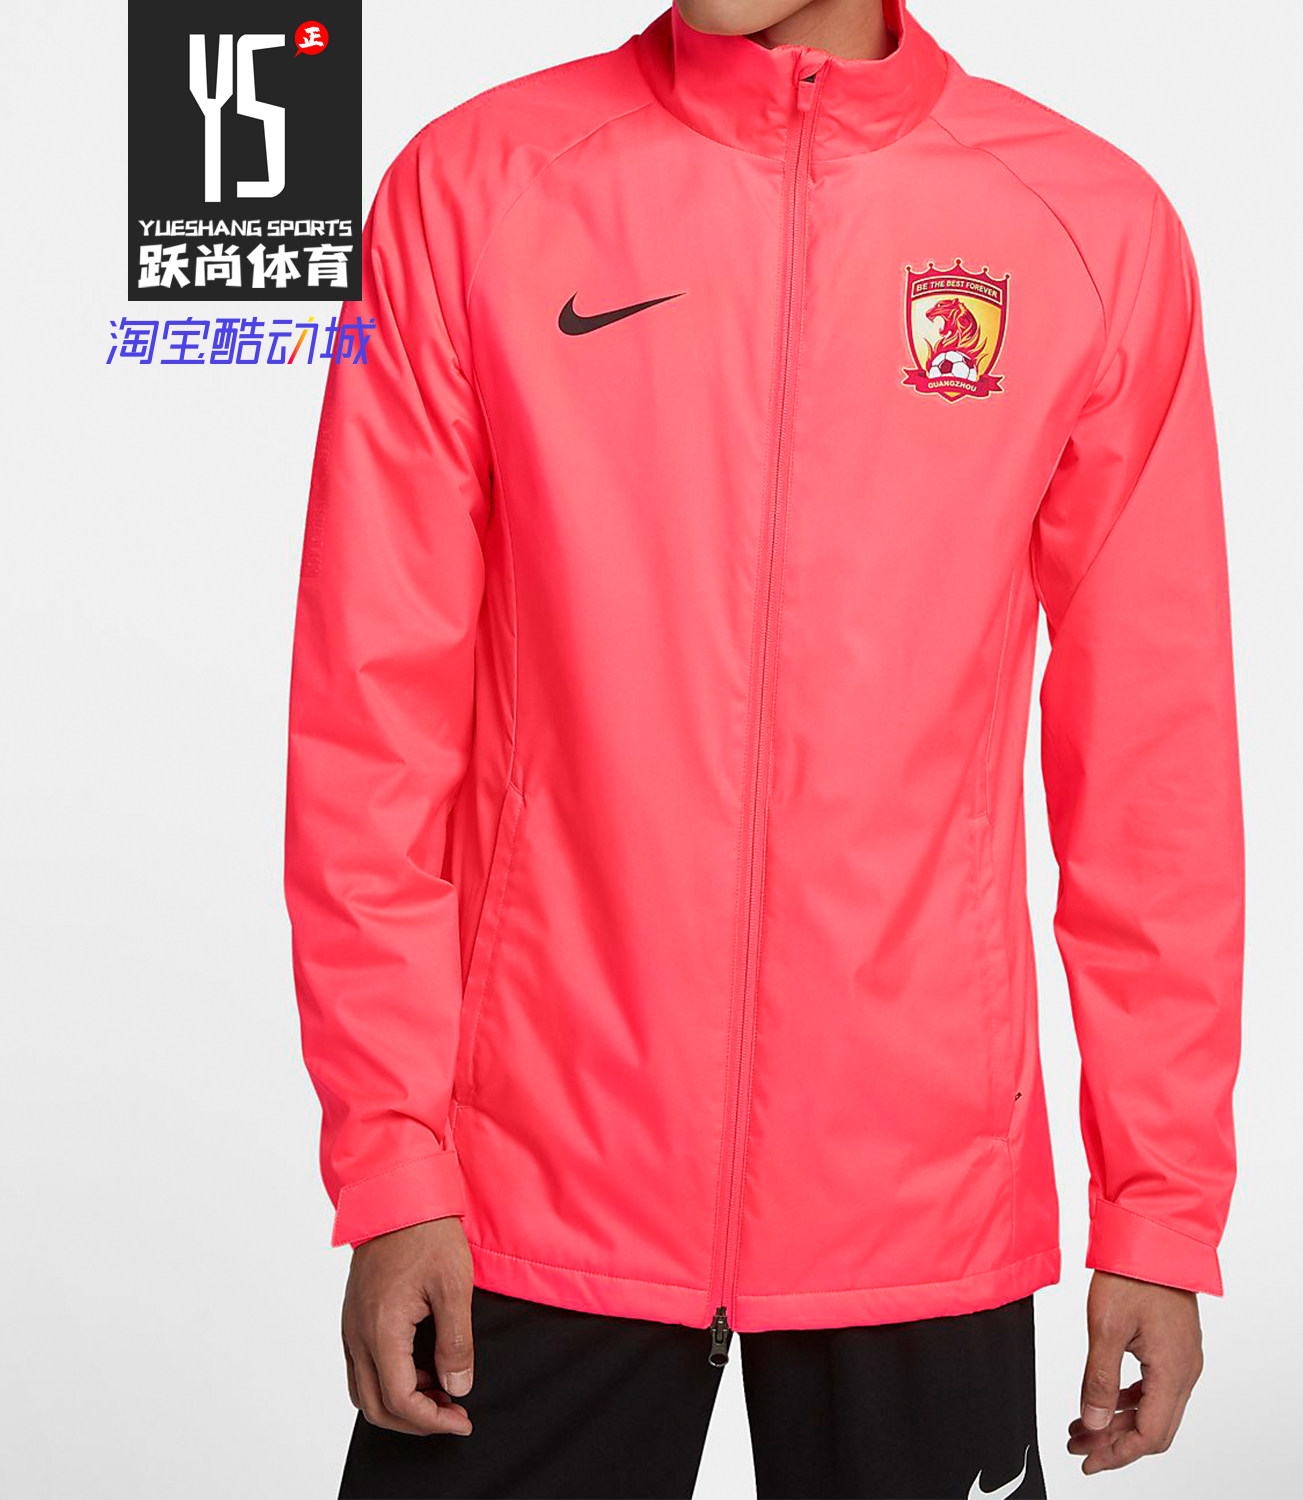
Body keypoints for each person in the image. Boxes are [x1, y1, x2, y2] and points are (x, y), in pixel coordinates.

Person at [284, 0, 1244, 1494]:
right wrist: (394, 1160)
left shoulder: (1088, 231)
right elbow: (371, 722)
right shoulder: (468, 191)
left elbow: (1151, 761)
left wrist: (1160, 1207)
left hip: (923, 1202)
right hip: (530, 1189)